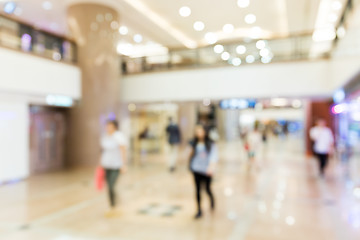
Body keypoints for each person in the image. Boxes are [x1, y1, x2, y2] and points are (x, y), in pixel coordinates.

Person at [189, 125, 218, 219]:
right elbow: (190, 154)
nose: (198, 133)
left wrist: (211, 168)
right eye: (197, 131)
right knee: (197, 190)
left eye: (200, 131)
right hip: (196, 169)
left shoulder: (210, 143)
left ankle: (212, 201)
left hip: (206, 170)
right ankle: (199, 210)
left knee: (207, 189)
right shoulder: (194, 143)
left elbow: (214, 156)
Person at [100, 120, 128, 215]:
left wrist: (123, 164)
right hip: (106, 165)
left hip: (116, 165)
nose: (108, 128)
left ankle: (114, 204)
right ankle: (112, 204)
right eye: (107, 126)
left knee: (112, 185)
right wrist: (100, 163)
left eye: (110, 126)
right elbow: (103, 151)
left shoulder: (118, 136)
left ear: (115, 127)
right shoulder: (105, 137)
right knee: (109, 186)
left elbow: (123, 150)